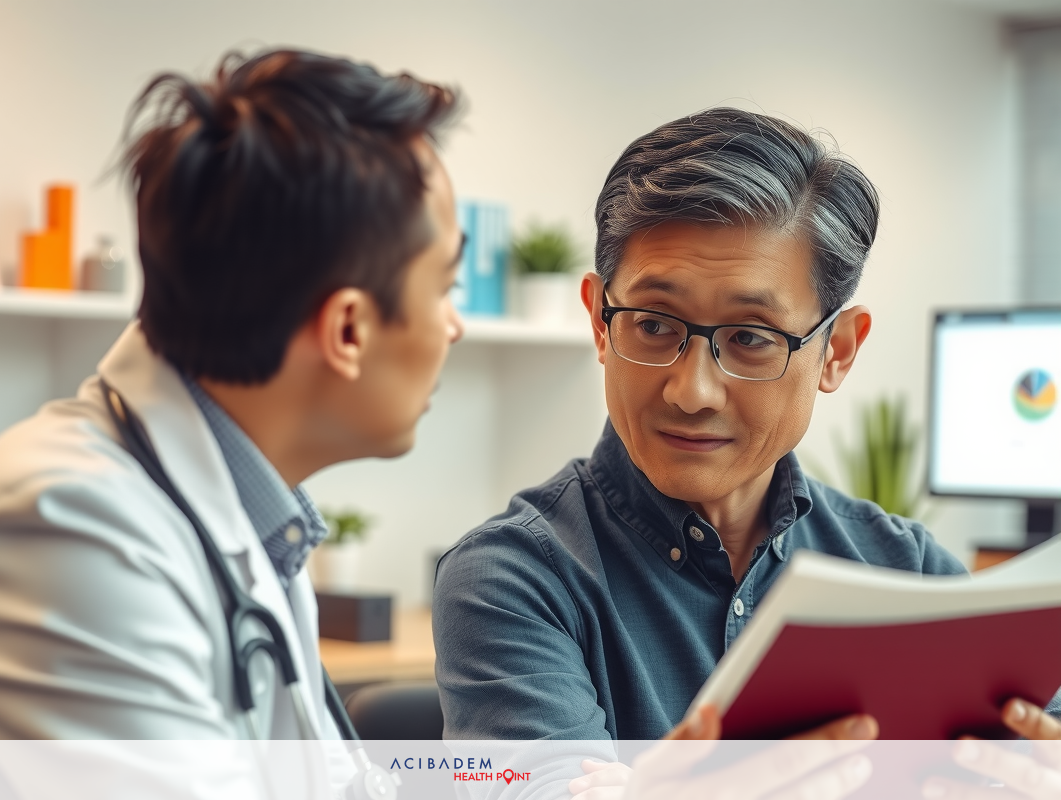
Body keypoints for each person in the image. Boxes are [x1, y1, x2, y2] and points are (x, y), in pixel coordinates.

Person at [432, 109, 1061, 776]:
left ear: (836, 354)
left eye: (750, 338)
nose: (691, 390)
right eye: (651, 325)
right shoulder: (512, 578)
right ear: (598, 321)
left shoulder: (906, 574)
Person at [0, 48, 463, 741]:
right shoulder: (68, 533)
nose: (455, 325)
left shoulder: (250, 519)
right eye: (444, 287)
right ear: (348, 329)